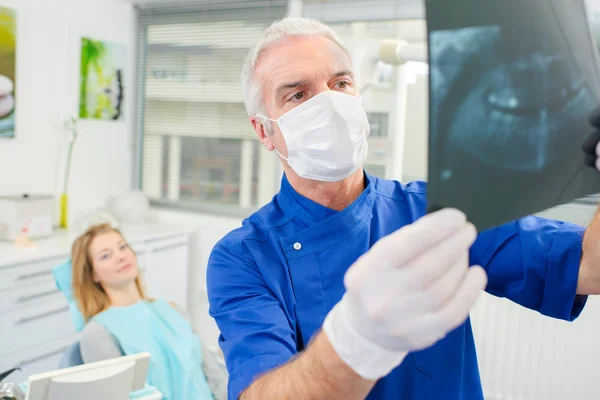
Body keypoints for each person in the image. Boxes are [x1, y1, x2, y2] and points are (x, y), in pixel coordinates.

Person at [206, 17, 600, 400]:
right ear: (264, 130)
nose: (329, 103)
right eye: (298, 94)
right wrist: (357, 338)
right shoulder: (242, 258)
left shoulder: (436, 212)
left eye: (340, 82)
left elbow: (590, 267)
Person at [71, 223, 227, 400]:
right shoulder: (98, 333)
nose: (120, 256)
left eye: (123, 247)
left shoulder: (172, 310)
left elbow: (215, 376)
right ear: (93, 275)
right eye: (106, 256)